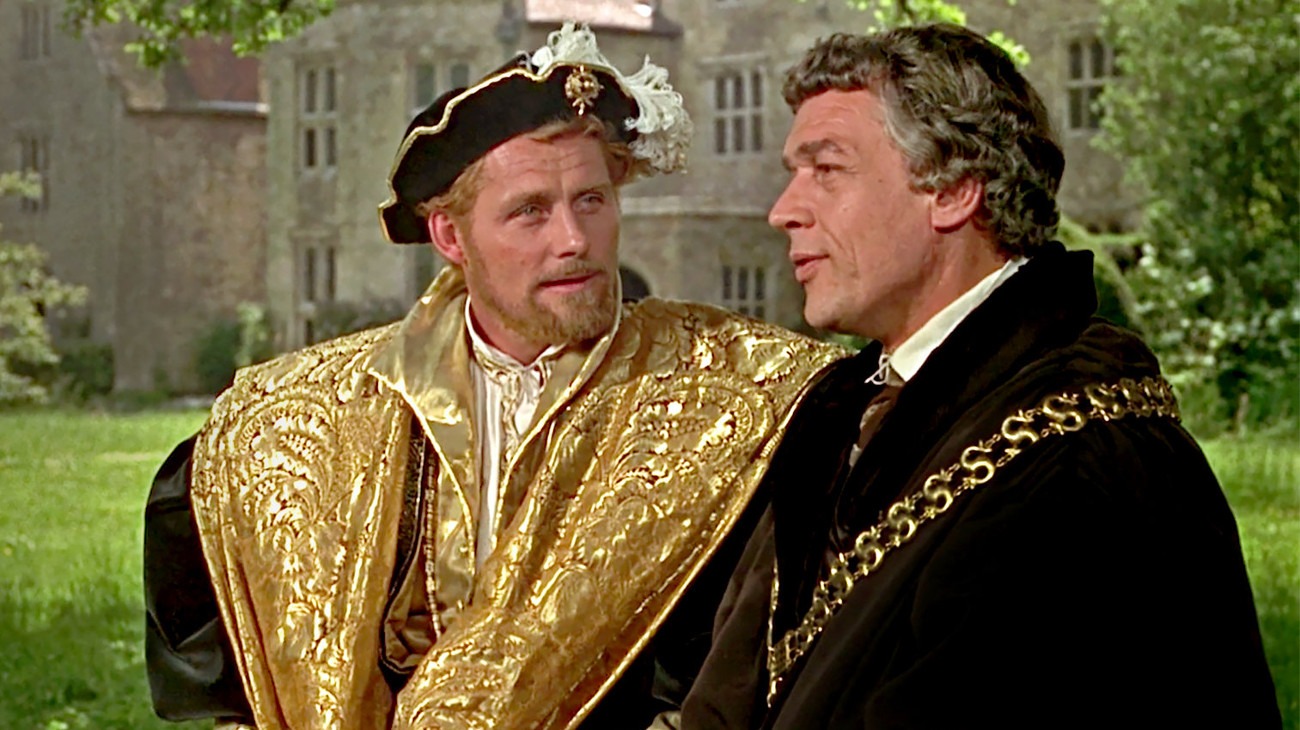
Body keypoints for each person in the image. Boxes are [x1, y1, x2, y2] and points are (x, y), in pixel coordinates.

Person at [143, 24, 843, 729]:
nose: (574, 239)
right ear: (451, 237)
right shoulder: (302, 414)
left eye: (592, 200)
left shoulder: (740, 398)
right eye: (530, 211)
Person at [679, 24, 1281, 729]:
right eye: (793, 172)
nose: (783, 211)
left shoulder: (1079, 465)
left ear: (954, 189)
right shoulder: (843, 414)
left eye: (828, 170)